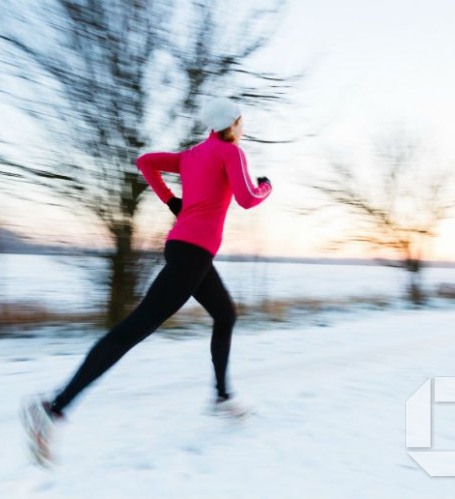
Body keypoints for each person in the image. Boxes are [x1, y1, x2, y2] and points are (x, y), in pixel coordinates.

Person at [21, 97, 272, 465]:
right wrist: (266, 186)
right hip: (193, 255)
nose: (242, 126)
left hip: (184, 250)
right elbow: (248, 198)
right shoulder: (230, 152)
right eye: (241, 120)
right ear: (233, 123)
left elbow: (146, 162)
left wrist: (172, 201)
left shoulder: (192, 155)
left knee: (225, 314)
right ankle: (54, 407)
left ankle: (221, 397)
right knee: (133, 329)